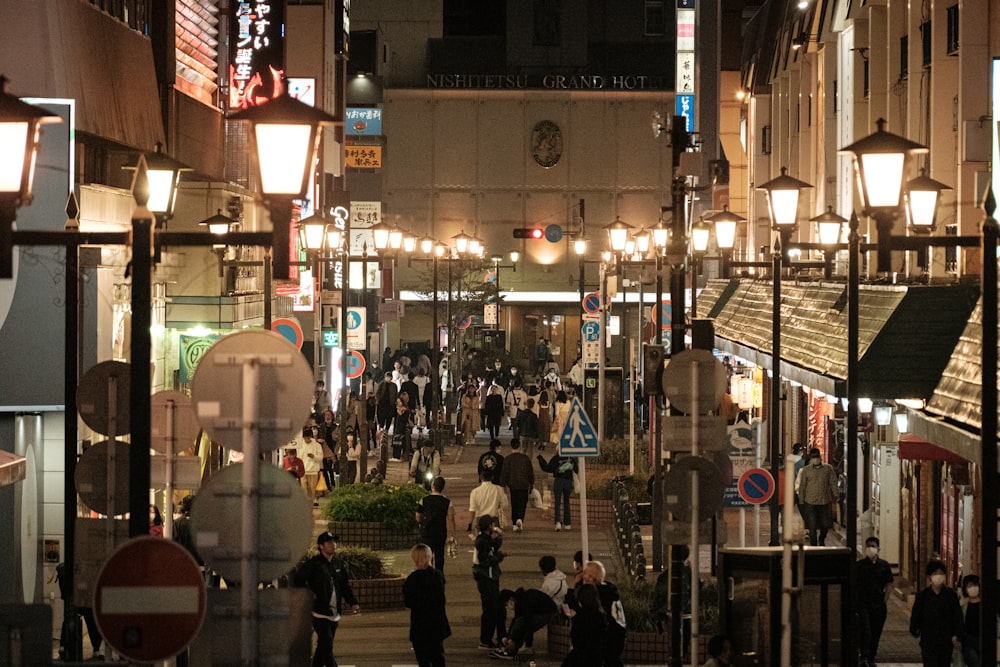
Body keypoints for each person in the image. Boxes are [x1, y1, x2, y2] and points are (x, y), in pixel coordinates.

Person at [294, 532, 360, 667]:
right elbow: (298, 580)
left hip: (334, 612)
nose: (333, 545)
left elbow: (344, 585)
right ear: (321, 546)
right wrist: (309, 594)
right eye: (329, 542)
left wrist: (353, 602)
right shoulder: (314, 564)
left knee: (323, 646)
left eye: (334, 542)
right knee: (327, 644)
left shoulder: (338, 564)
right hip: (319, 612)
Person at [909, 559, 964, 667]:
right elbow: (916, 614)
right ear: (929, 576)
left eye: (941, 573)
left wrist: (957, 635)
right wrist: (914, 630)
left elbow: (957, 616)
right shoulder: (923, 596)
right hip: (928, 640)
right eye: (935, 573)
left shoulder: (950, 595)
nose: (938, 576)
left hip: (946, 640)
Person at [403, 544, 451, 667]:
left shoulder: (411, 579)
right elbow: (440, 600)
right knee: (438, 656)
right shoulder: (437, 576)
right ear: (430, 557)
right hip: (436, 622)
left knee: (423, 659)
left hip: (419, 623)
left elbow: (408, 602)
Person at [577, 560, 626, 667]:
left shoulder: (597, 595)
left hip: (607, 638)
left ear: (592, 577)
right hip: (617, 635)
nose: (582, 575)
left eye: (585, 573)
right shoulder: (611, 592)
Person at [855, 536, 893, 667]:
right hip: (863, 603)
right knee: (865, 630)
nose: (871, 549)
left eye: (873, 546)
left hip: (878, 604)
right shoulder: (859, 566)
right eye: (868, 546)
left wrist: (885, 600)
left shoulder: (884, 566)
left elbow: (889, 584)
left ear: (878, 549)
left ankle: (871, 658)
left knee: (876, 632)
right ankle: (863, 656)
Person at [492, 586, 558, 659]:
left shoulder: (525, 600)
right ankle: (519, 647)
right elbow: (516, 619)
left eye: (506, 604)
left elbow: (527, 622)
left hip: (549, 613)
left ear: (511, 599)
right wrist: (508, 636)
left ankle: (511, 650)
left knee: (522, 623)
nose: (508, 607)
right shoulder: (519, 600)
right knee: (520, 622)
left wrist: (513, 640)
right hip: (540, 612)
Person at [56, 562, 104, 661]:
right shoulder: (87, 565)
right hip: (85, 597)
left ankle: (63, 646)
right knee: (91, 622)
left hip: (71, 597)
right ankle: (97, 649)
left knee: (69, 619)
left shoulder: (69, 566)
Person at [472, 515, 506, 651]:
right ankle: (485, 640)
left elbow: (495, 545)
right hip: (487, 578)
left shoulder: (485, 539)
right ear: (489, 526)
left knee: (496, 609)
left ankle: (497, 638)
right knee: (490, 610)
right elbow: (485, 561)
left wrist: (499, 535)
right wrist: (499, 557)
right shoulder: (482, 542)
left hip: (490, 577)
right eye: (492, 524)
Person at [796, 447, 837, 546]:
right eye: (813, 457)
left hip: (824, 501)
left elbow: (833, 482)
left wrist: (836, 494)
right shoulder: (806, 470)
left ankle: (822, 538)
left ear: (820, 457)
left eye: (817, 457)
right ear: (810, 458)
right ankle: (813, 545)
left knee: (825, 525)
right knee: (812, 526)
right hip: (809, 502)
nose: (815, 459)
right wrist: (801, 501)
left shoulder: (828, 469)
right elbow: (802, 486)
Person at [416, 476, 457, 573]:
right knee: (439, 555)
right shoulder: (447, 502)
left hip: (427, 531)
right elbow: (451, 518)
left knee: (427, 554)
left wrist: (421, 524)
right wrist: (452, 533)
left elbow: (418, 515)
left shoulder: (424, 500)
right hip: (440, 531)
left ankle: (428, 574)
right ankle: (439, 575)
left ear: (432, 486)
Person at [562, 583, 607, 667]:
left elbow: (576, 639)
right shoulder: (601, 615)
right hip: (596, 658)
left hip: (581, 658)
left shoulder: (581, 617)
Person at [499, 437, 534, 532]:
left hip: (513, 485)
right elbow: (530, 472)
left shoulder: (508, 459)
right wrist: (531, 483)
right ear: (519, 446)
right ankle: (520, 519)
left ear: (511, 446)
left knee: (514, 503)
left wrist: (504, 485)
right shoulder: (525, 459)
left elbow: (504, 473)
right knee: (522, 503)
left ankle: (514, 523)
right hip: (524, 484)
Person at [538, 451, 577, 531]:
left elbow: (548, 468)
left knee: (557, 502)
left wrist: (540, 459)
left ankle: (558, 522)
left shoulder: (556, 458)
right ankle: (567, 524)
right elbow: (576, 469)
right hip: (568, 481)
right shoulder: (571, 457)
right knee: (566, 501)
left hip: (558, 481)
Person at [468, 464, 510, 531]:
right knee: (496, 538)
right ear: (492, 477)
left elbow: (472, 510)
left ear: (481, 478)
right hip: (494, 520)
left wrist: (470, 524)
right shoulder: (498, 489)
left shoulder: (475, 492)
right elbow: (505, 505)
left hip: (480, 520)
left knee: (480, 538)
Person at [296, 426, 325, 506]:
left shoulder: (317, 445)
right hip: (303, 471)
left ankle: (311, 504)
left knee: (312, 490)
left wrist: (314, 457)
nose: (307, 440)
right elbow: (298, 457)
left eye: (308, 438)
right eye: (305, 438)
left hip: (313, 471)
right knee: (304, 489)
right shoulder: (300, 445)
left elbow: (321, 458)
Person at [960, 574, 982, 667]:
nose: (973, 588)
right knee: (974, 663)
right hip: (969, 640)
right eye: (969, 586)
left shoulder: (986, 605)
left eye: (975, 585)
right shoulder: (963, 605)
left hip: (984, 639)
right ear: (965, 589)